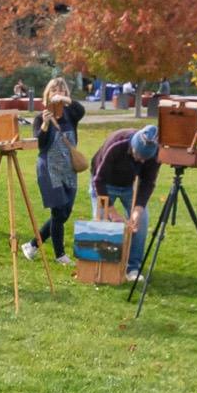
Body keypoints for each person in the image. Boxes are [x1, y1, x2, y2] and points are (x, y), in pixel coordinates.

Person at [25, 80, 83, 262]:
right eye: (54, 90)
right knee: (58, 211)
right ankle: (60, 255)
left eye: (62, 90)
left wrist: (64, 99)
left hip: (69, 168)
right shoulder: (40, 117)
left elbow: (81, 110)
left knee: (65, 212)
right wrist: (45, 124)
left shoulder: (71, 113)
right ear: (47, 94)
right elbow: (39, 143)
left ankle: (33, 244)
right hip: (49, 168)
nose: (58, 93)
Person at [92, 124, 163, 266]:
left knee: (140, 221)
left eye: (145, 159)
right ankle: (102, 267)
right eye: (139, 156)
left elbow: (148, 182)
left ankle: (133, 266)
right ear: (132, 147)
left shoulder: (155, 154)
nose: (142, 161)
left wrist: (138, 209)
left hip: (128, 186)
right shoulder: (117, 145)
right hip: (103, 183)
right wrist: (112, 212)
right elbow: (98, 180)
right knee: (102, 223)